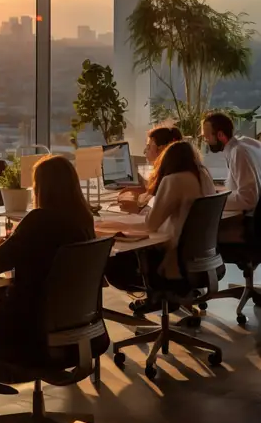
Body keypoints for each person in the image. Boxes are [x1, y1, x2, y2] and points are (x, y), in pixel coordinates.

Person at [0, 155, 104, 419]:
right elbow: (31, 251)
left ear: (43, 188)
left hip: (31, 333)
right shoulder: (83, 221)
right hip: (76, 333)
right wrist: (11, 243)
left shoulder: (39, 220)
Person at [105, 140, 216, 311]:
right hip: (203, 261)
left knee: (113, 258)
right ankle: (165, 299)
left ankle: (158, 296)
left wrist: (136, 208)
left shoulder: (173, 179)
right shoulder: (203, 176)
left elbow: (151, 224)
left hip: (174, 263)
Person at [201, 112, 261, 215]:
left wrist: (211, 201)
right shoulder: (246, 143)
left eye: (207, 137)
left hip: (251, 221)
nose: (206, 141)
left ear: (220, 135)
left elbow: (248, 199)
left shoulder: (238, 152)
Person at [118, 126, 183, 214]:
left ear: (162, 149)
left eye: (148, 147)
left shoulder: (170, 179)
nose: (145, 151)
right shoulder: (178, 171)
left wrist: (138, 207)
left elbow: (157, 215)